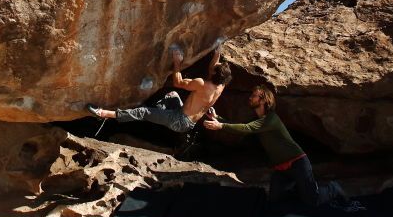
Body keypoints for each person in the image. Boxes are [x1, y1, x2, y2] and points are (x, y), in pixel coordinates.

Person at [203, 84, 347, 206]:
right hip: (281, 168)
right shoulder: (259, 120)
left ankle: (332, 189)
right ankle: (299, 187)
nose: (250, 97)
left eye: (254, 96)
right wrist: (217, 118)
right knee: (274, 201)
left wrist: (220, 126)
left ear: (263, 100)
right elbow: (243, 126)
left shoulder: (270, 119)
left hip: (298, 163)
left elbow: (247, 128)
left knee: (311, 201)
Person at [87, 43, 232, 133]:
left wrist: (177, 62)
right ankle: (152, 113)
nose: (213, 65)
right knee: (172, 95)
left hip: (178, 120)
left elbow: (178, 82)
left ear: (213, 73)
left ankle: (103, 114)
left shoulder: (201, 84)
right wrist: (218, 49)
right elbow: (214, 66)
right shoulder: (221, 86)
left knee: (143, 112)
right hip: (189, 124)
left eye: (215, 67)